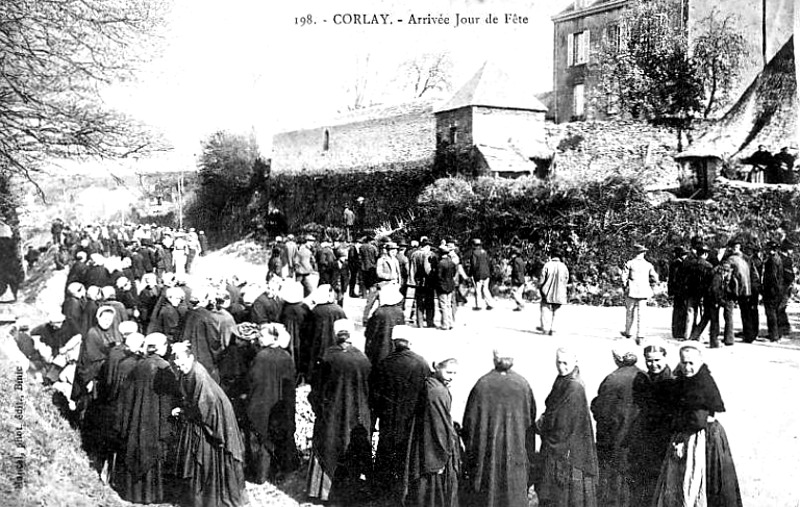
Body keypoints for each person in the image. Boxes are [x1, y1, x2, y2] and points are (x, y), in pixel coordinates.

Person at [652, 345, 743, 507]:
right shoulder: (686, 378)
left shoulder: (701, 383)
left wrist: (680, 438)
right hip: (693, 430)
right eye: (684, 363)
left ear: (701, 361)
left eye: (691, 363)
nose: (687, 368)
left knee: (694, 479)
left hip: (700, 436)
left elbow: (697, 420)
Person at [172, 341, 246, 507]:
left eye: (181, 361)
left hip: (213, 421)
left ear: (191, 358)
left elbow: (208, 406)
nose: (179, 364)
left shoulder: (199, 375)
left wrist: (186, 412)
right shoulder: (188, 372)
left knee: (208, 454)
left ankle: (210, 496)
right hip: (204, 416)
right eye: (176, 361)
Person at [307, 319, 373, 504]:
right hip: (355, 412)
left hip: (332, 412)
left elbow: (317, 388)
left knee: (327, 445)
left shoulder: (328, 356)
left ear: (336, 335)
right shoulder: (363, 359)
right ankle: (347, 490)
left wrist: (318, 406)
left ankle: (322, 491)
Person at [462, 345, 537, 507]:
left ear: (494, 358)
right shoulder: (522, 385)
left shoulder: (482, 385)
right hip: (515, 455)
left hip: (487, 457)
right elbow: (530, 425)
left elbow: (469, 425)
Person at [369, 325, 430, 504]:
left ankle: (383, 497)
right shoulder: (422, 364)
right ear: (410, 342)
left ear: (393, 342)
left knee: (386, 459)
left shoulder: (384, 363)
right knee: (408, 460)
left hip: (389, 421)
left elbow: (375, 397)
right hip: (412, 423)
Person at [116, 333, 178, 504]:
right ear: (162, 347)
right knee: (153, 455)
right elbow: (169, 400)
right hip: (155, 422)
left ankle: (133, 494)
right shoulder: (164, 367)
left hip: (137, 420)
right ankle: (152, 495)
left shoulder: (138, 365)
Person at [537, 348, 599, 507]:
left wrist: (541, 424)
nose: (561, 367)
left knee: (565, 495)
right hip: (566, 447)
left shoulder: (574, 387)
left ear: (575, 362)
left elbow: (560, 423)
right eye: (558, 362)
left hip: (568, 452)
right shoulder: (564, 380)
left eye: (565, 363)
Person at [245, 323, 299, 483]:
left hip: (262, 402)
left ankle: (260, 475)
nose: (259, 338)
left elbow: (252, 380)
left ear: (274, 338)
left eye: (262, 336)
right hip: (280, 404)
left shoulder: (261, 357)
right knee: (280, 437)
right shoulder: (286, 356)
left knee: (261, 438)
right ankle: (282, 470)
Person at [590, 341, 642, 507]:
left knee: (613, 486)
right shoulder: (644, 375)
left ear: (616, 358)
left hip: (616, 440)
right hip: (636, 441)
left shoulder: (613, 379)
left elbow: (602, 412)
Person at [404, 357, 460, 507]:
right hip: (433, 449)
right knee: (433, 493)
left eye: (454, 373)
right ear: (436, 367)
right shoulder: (437, 392)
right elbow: (439, 426)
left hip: (424, 446)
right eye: (448, 372)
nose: (451, 377)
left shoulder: (430, 385)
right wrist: (444, 453)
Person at [627, 342, 674, 505]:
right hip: (646, 441)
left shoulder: (672, 382)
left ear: (665, 358)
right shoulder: (644, 379)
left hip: (663, 441)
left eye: (657, 360)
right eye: (649, 361)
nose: (653, 365)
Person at [620, 244, 659, 343]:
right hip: (644, 291)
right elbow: (655, 277)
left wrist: (625, 286)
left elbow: (623, 277)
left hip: (632, 291)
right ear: (644, 253)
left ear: (634, 252)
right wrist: (652, 285)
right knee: (642, 315)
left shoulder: (630, 263)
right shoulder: (648, 265)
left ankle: (628, 332)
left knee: (629, 312)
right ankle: (640, 336)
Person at [364, 283, 405, 367]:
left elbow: (370, 332)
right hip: (393, 346)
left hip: (379, 345)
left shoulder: (379, 312)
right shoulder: (400, 312)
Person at [722, 239, 754, 345]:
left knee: (728, 313)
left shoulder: (730, 259)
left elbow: (726, 276)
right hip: (746, 289)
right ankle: (749, 336)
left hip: (734, 289)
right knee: (746, 312)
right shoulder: (746, 259)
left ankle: (729, 338)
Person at [537, 250, 569, 335]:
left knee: (545, 309)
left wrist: (540, 287)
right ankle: (553, 329)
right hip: (560, 292)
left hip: (547, 291)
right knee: (557, 311)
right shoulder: (564, 266)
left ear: (552, 256)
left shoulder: (547, 265)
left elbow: (541, 279)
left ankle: (546, 329)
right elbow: (566, 279)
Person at [762, 240, 785, 341]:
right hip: (778, 289)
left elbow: (772, 277)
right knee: (776, 312)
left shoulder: (771, 260)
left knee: (771, 313)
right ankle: (777, 334)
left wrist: (767, 289)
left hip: (772, 290)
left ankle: (773, 335)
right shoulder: (778, 258)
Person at [468, 238, 495, 310]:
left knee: (478, 290)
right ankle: (490, 304)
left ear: (473, 245)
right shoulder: (484, 252)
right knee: (485, 289)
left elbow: (473, 265)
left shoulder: (474, 253)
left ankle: (478, 306)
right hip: (486, 273)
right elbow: (489, 263)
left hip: (478, 274)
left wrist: (470, 274)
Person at [668, 246, 689, 339]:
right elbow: (674, 279)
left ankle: (677, 331)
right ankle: (679, 332)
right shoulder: (678, 264)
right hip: (681, 290)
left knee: (677, 311)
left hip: (677, 290)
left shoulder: (674, 263)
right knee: (681, 311)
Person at [435, 244, 457, 330]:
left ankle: (445, 324)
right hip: (450, 285)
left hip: (442, 286)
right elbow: (454, 273)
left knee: (443, 306)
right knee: (448, 305)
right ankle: (450, 323)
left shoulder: (440, 263)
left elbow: (439, 276)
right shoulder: (451, 262)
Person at [510, 247, 527, 311]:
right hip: (522, 278)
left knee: (513, 292)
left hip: (517, 278)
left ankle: (521, 303)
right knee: (519, 293)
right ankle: (519, 307)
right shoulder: (521, 260)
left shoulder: (515, 260)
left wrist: (515, 278)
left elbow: (516, 270)